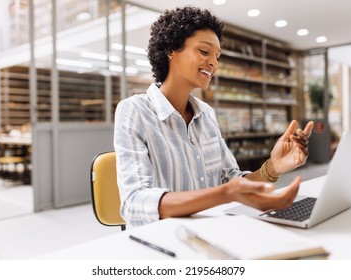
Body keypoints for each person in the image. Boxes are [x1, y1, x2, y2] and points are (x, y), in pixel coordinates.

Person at [114, 6, 314, 227]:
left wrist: (274, 166)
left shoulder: (206, 114)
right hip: (163, 239)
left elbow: (231, 180)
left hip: (211, 229)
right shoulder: (134, 111)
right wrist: (225, 193)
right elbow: (135, 203)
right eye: (204, 51)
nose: (214, 63)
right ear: (171, 50)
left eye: (217, 56)